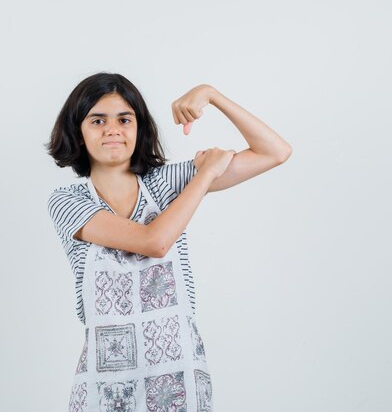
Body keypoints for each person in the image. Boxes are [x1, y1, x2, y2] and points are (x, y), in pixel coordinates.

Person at [45, 72, 292, 412]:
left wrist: (211, 94)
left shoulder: (164, 184)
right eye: (97, 120)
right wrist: (205, 174)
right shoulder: (69, 201)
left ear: (139, 127)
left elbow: (275, 151)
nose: (113, 129)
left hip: (180, 377)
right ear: (78, 131)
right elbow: (154, 242)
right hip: (106, 385)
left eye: (124, 119)